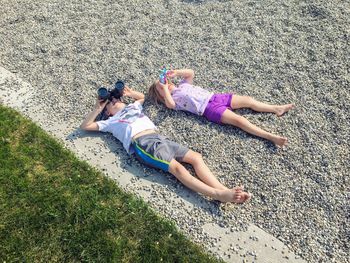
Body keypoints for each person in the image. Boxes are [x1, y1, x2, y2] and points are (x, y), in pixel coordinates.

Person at [80, 85, 251, 204]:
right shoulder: (110, 122)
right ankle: (217, 194)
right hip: (143, 143)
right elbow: (86, 126)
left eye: (116, 99)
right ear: (108, 113)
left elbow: (141, 98)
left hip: (159, 138)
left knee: (196, 158)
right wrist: (97, 107)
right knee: (177, 169)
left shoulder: (132, 107)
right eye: (110, 103)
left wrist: (130, 93)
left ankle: (224, 190)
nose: (115, 101)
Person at [148, 69, 295, 147]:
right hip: (209, 109)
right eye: (161, 87)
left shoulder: (183, 85)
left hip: (216, 97)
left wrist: (176, 73)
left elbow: (191, 72)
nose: (166, 83)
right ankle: (271, 137)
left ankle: (276, 108)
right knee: (240, 121)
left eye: (165, 82)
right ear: (161, 95)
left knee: (249, 100)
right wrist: (165, 89)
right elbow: (170, 105)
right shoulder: (173, 99)